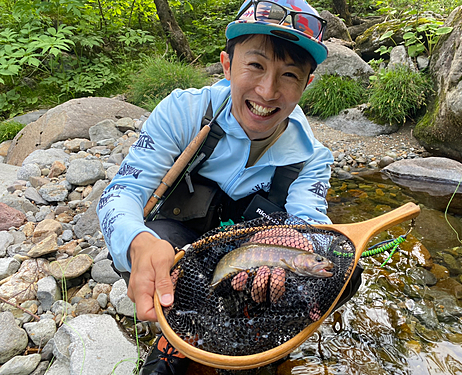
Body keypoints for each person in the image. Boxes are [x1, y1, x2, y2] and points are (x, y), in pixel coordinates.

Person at [97, 0, 335, 373]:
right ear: (227, 65)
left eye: (289, 75)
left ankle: (254, 331)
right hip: (178, 244)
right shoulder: (183, 113)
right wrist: (139, 245)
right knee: (154, 236)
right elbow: (121, 192)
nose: (268, 91)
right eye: (255, 66)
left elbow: (313, 226)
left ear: (307, 84)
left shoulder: (313, 158)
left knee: (341, 272)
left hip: (252, 260)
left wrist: (304, 244)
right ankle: (177, 336)